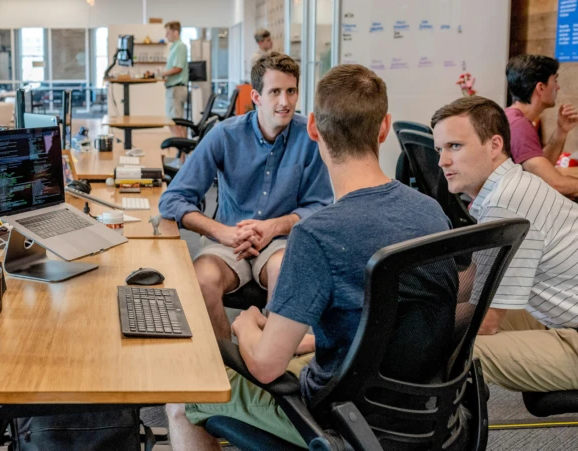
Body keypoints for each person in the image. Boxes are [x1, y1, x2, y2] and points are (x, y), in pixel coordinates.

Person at [165, 64, 454, 450]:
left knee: (181, 400)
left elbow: (267, 368)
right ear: (385, 128)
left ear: (314, 127)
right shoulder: (432, 212)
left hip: (338, 419)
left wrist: (248, 325)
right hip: (424, 414)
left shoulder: (316, 235)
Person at [158, 52, 332, 341]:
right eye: (274, 92)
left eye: (291, 92)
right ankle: (229, 362)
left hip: (280, 242)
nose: (284, 102)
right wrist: (221, 232)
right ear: (256, 96)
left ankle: (268, 361)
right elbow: (172, 199)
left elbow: (321, 206)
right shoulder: (224, 135)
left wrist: (273, 227)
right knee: (202, 280)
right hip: (229, 240)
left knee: (285, 272)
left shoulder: (310, 137)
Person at [432, 96, 578, 392]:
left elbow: (486, 322)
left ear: (495, 145)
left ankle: (432, 436)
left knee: (456, 349)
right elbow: (476, 279)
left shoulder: (507, 202)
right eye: (440, 149)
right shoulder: (508, 188)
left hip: (571, 334)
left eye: (455, 147)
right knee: (434, 321)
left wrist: (404, 324)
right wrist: (412, 298)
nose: (442, 161)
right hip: (562, 319)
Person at [504, 54, 578, 197]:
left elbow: (541, 171)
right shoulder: (519, 126)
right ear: (540, 87)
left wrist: (561, 131)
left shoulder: (513, 117)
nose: (558, 87)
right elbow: (555, 184)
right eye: (554, 80)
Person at [161, 21, 189, 138]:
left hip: (176, 89)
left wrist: (163, 73)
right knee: (175, 122)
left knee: (175, 123)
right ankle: (182, 154)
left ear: (176, 32)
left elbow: (178, 68)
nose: (166, 36)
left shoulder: (180, 46)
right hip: (173, 89)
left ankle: (182, 154)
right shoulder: (174, 48)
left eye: (168, 33)